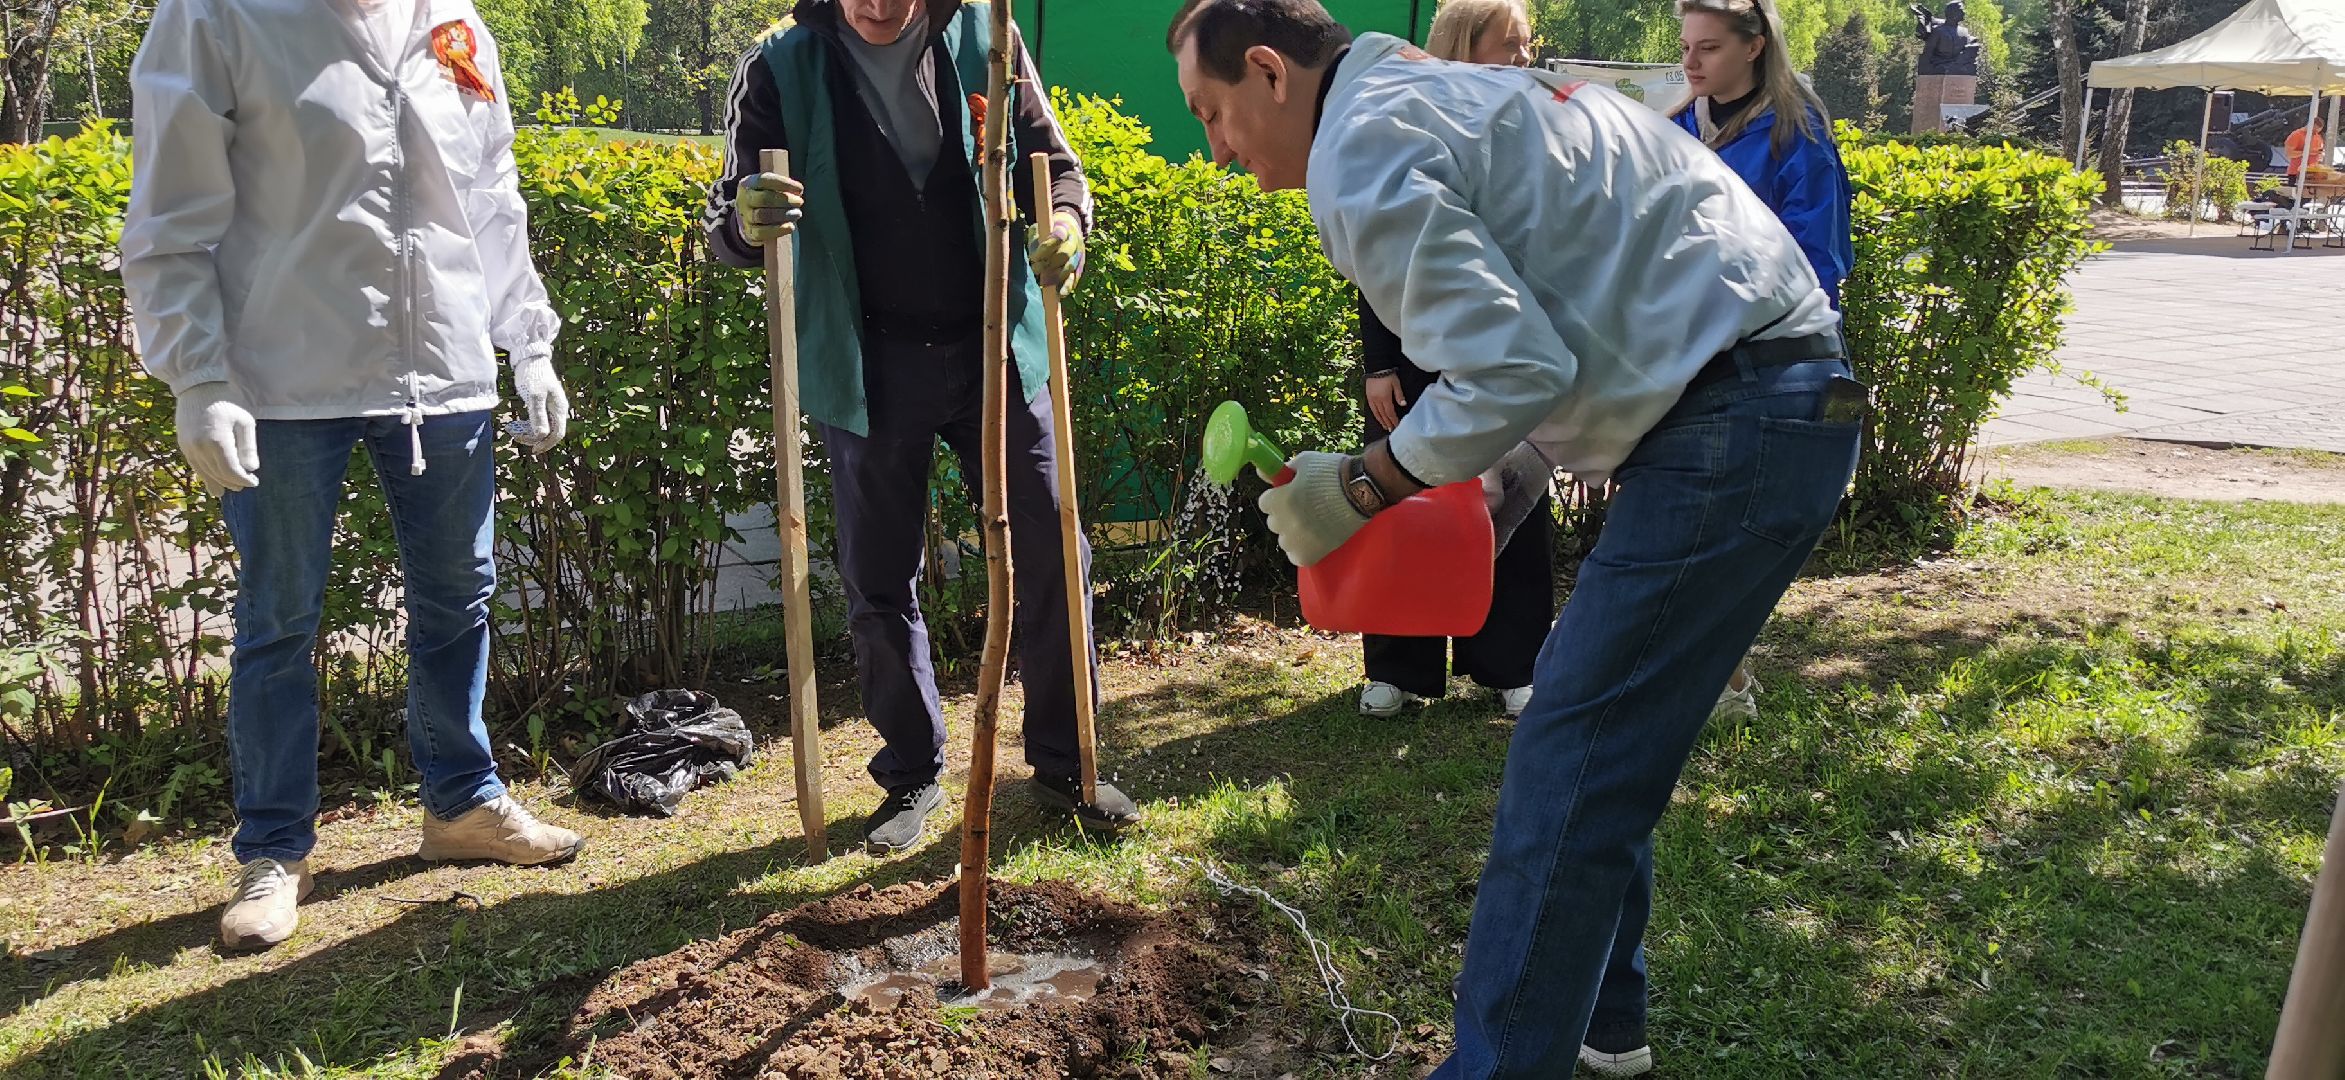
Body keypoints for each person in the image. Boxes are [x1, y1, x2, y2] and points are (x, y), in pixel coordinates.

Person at [1168, 1, 1864, 1076]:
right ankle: (1602, 1028)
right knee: (1602, 742)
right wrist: (1473, 491)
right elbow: (1576, 313)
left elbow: (1512, 372)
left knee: (1569, 757)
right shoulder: (1433, 96)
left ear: (1267, 71)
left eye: (1212, 114)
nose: (1215, 153)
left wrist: (1361, 485)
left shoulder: (1362, 153)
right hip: (1761, 401)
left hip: (1737, 420)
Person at [123, 0, 586, 953]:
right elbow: (170, 208)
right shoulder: (218, 17)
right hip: (286, 375)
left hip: (445, 367)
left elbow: (493, 192)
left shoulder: (454, 20)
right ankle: (273, 851)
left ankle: (462, 804)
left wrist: (527, 343)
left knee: (461, 595)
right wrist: (198, 375)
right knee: (280, 619)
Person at [705, 0, 1141, 854]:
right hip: (865, 361)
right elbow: (726, 218)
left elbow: (1054, 167)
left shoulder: (989, 37)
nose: (877, 6)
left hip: (995, 347)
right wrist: (744, 222)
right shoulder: (780, 64)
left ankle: (1066, 762)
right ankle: (911, 775)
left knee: (1054, 547)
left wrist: (1069, 229)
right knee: (878, 576)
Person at [1355, 0, 1551, 721]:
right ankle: (1397, 670)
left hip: (1506, 356)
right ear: (1465, 47)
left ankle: (1510, 665)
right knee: (1405, 510)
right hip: (1410, 362)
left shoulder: (1532, 131)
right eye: (1511, 45)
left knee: (1513, 512)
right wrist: (1378, 364)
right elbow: (1374, 252)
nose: (1523, 60)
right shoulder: (1404, 125)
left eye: (1529, 46)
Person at [1674, 0, 1854, 725]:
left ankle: (1725, 681)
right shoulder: (1677, 127)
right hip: (1680, 353)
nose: (1690, 64)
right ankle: (1717, 678)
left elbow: (1821, 258)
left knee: (1730, 530)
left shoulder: (1796, 131)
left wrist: (1744, 312)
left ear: (1754, 47)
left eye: (1707, 48)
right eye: (1685, 47)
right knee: (1686, 521)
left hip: (1766, 360)